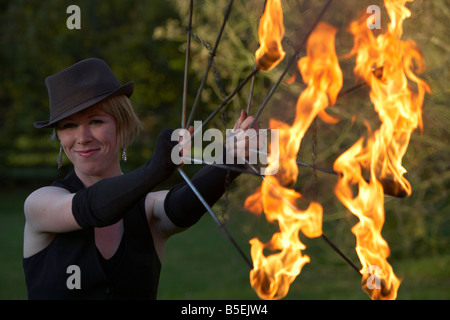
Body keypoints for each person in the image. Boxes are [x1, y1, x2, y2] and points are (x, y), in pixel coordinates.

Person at [23, 58, 259, 299]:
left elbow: (185, 203)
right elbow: (90, 207)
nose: (82, 137)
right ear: (60, 138)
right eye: (69, 126)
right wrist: (153, 171)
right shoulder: (40, 204)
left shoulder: (149, 211)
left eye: (96, 121)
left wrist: (233, 158)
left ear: (122, 126)